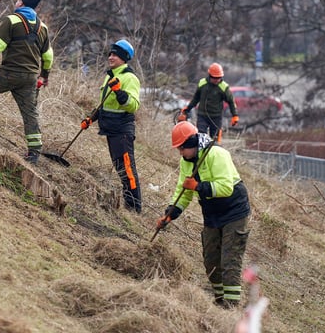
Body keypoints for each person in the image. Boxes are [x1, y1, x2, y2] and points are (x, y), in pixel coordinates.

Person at [155, 121, 251, 308]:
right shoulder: (186, 162)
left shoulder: (217, 154)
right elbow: (182, 192)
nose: (180, 153)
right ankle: (219, 301)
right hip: (212, 214)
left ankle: (230, 307)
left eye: (182, 148)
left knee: (229, 260)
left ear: (191, 143)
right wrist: (170, 214)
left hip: (234, 210)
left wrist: (199, 186)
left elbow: (225, 187)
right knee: (211, 261)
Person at [0, 0, 54, 163]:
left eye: (17, 0)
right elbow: (48, 55)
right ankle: (34, 152)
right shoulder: (43, 28)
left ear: (21, 3)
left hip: (9, 73)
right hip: (30, 78)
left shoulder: (12, 20)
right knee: (29, 113)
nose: (15, 2)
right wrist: (44, 75)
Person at [80, 39, 142, 213]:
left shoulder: (130, 78)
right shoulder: (110, 75)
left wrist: (119, 91)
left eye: (115, 54)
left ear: (123, 58)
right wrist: (91, 119)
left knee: (127, 169)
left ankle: (134, 208)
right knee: (120, 168)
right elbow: (105, 104)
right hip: (110, 128)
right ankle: (128, 203)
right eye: (110, 53)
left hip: (122, 130)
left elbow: (133, 105)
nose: (111, 57)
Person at [178, 62, 239, 139]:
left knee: (215, 140)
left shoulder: (224, 87)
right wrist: (188, 109)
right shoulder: (202, 83)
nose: (217, 80)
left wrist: (235, 115)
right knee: (201, 137)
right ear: (210, 76)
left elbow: (231, 102)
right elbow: (196, 98)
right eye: (215, 78)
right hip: (202, 116)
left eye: (219, 77)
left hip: (216, 117)